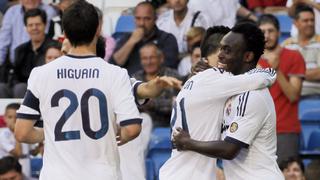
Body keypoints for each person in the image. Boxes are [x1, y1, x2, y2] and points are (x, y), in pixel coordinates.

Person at [14, 1, 142, 180]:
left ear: (64, 33)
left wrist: (49, 131)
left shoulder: (41, 74)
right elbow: (133, 128)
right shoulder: (116, 74)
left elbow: (22, 132)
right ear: (98, 29)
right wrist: (123, 136)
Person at [159, 23, 280, 180]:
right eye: (220, 49)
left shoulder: (250, 94)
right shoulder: (221, 84)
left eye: (227, 50)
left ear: (248, 56)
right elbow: (265, 76)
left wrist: (188, 142)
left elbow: (229, 150)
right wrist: (269, 73)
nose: (221, 55)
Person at [257, 14, 306, 163]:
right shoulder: (251, 60)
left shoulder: (294, 56)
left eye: (271, 31)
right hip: (257, 131)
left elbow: (293, 95)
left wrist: (276, 70)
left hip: (286, 130)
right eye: (262, 32)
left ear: (279, 32)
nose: (267, 35)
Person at [0, 8, 57, 98]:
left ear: (45, 25)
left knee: (21, 88)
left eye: (38, 24)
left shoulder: (55, 47)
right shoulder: (20, 50)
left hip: (45, 90)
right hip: (20, 90)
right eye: (30, 25)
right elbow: (14, 76)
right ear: (26, 28)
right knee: (2, 87)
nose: (34, 28)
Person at [110, 1, 179, 75]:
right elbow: (115, 64)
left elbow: (170, 67)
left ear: (155, 19)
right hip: (130, 83)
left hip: (156, 82)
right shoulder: (127, 38)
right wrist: (131, 42)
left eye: (147, 19)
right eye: (138, 18)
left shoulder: (167, 39)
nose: (142, 23)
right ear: (134, 19)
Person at [133, 43, 182, 127]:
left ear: (161, 58)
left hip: (167, 125)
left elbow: (178, 104)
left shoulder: (172, 75)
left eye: (152, 57)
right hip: (141, 126)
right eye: (144, 58)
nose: (148, 62)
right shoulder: (136, 77)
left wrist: (152, 104)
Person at [0, 0, 56, 65]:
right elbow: (3, 41)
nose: (30, 0)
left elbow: (43, 38)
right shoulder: (11, 12)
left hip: (41, 62)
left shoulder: (49, 11)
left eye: (37, 24)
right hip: (16, 64)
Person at [282, 4, 320, 96]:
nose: (310, 23)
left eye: (312, 20)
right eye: (305, 21)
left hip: (315, 95)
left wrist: (292, 73)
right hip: (288, 96)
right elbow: (278, 71)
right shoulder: (286, 45)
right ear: (296, 23)